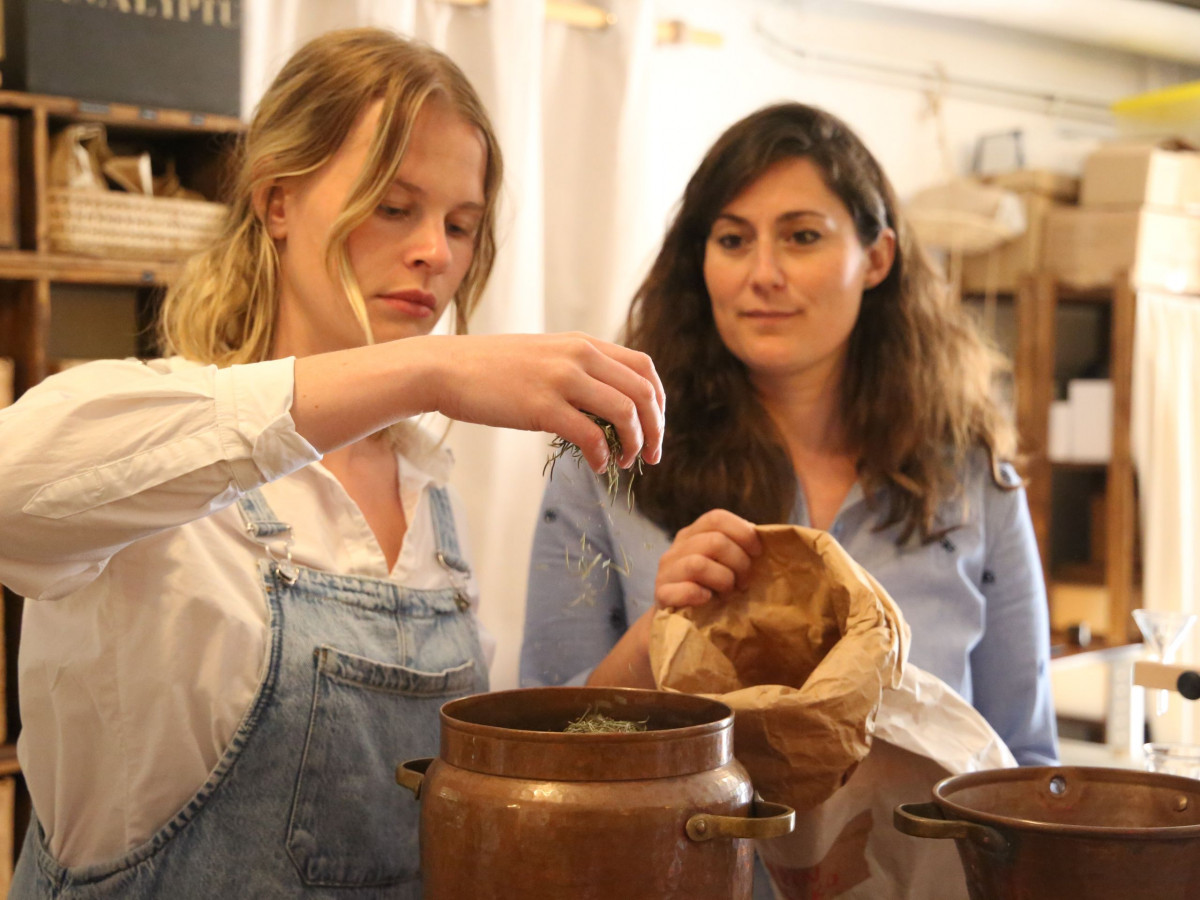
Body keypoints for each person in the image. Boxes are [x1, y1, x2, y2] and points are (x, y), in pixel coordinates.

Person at [0, 28, 663, 899]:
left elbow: (478, 787)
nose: (437, 252)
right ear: (277, 203)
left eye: (461, 225)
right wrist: (430, 369)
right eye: (396, 207)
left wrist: (666, 639)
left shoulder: (431, 496)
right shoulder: (164, 438)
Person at [521, 102, 1058, 771]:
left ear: (877, 256)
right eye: (733, 240)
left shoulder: (972, 478)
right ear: (701, 261)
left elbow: (1025, 762)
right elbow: (540, 747)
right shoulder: (606, 462)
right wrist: (659, 633)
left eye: (802, 237)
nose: (763, 274)